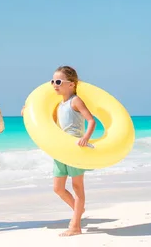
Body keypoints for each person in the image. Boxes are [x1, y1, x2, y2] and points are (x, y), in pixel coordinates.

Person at [22, 65, 96, 237]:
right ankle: (79, 210)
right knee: (58, 188)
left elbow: (91, 121)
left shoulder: (75, 101)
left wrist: (85, 137)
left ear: (71, 84)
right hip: (60, 151)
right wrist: (27, 113)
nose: (54, 85)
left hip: (75, 150)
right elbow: (49, 124)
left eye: (58, 81)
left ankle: (75, 225)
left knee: (77, 187)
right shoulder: (59, 105)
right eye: (52, 81)